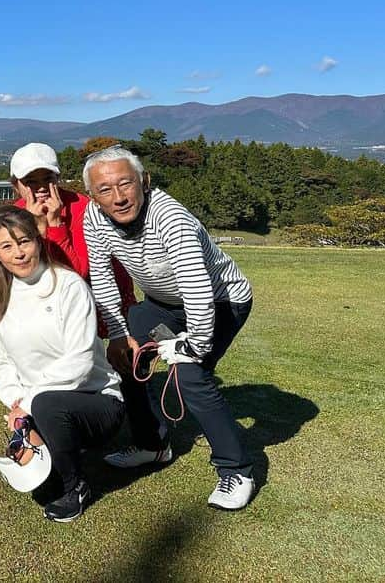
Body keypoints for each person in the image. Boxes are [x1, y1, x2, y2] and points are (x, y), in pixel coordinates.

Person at [81, 145, 255, 510]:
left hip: (222, 300)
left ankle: (236, 469)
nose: (118, 197)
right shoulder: (94, 218)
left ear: (144, 181)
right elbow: (102, 275)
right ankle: (152, 445)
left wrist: (192, 347)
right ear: (92, 196)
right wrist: (116, 335)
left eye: (125, 184)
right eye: (105, 190)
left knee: (190, 374)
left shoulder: (170, 217)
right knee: (126, 358)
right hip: (163, 302)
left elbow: (197, 288)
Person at [0, 205, 125, 523]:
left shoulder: (69, 286)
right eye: (7, 246)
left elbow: (81, 362)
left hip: (97, 402)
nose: (18, 253)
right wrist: (17, 404)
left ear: (38, 241)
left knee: (47, 404)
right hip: (40, 404)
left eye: (24, 241)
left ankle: (75, 488)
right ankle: (51, 450)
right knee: (37, 481)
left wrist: (31, 404)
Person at [9, 142, 137, 337]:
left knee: (123, 355)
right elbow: (25, 271)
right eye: (31, 181)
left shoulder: (81, 207)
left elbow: (77, 272)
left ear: (57, 178)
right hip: (53, 301)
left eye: (48, 178)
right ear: (16, 185)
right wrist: (38, 228)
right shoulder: (12, 216)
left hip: (105, 293)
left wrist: (55, 224)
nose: (41, 188)